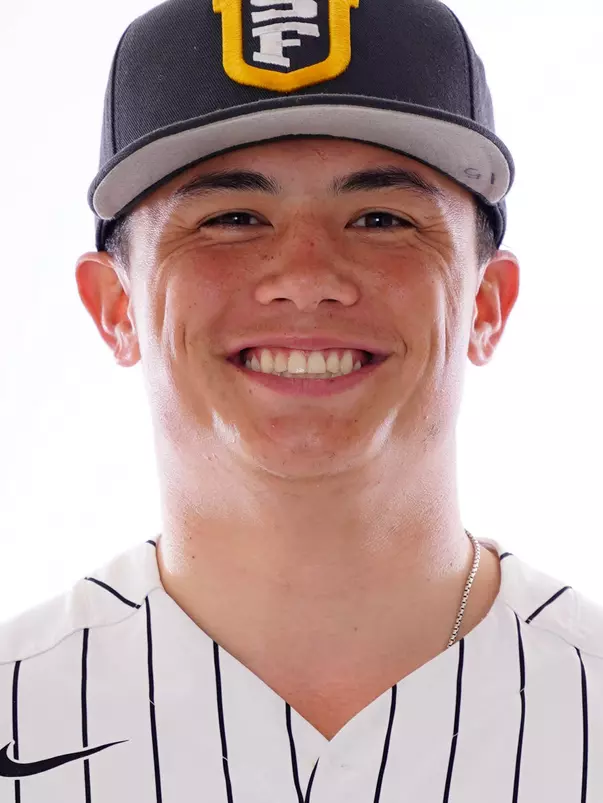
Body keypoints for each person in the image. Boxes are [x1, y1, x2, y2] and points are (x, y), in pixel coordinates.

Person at [1, 0, 602, 799]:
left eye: (381, 218)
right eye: (232, 217)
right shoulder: (19, 704)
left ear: (487, 304)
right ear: (116, 307)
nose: (308, 277)